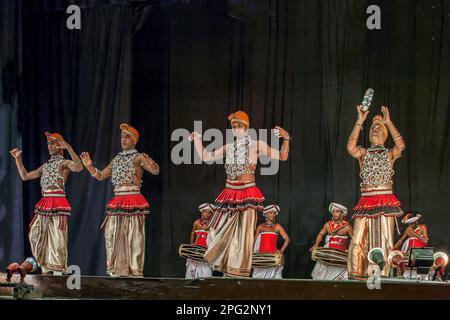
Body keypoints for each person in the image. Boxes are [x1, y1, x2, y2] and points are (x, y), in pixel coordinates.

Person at [189, 110, 291, 277]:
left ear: (247, 126)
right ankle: (225, 265)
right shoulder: (229, 147)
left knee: (243, 234)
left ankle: (238, 272)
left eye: (239, 125)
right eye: (233, 125)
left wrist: (286, 139)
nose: (236, 128)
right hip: (229, 192)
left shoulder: (256, 145)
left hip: (247, 192)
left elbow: (283, 156)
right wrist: (197, 140)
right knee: (216, 229)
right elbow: (206, 157)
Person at [80, 123, 159, 277]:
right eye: (122, 136)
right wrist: (89, 166)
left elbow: (155, 171)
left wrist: (152, 164)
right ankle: (117, 270)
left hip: (133, 199)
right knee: (112, 234)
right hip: (118, 200)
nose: (123, 139)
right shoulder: (116, 158)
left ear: (134, 140)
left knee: (134, 236)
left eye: (127, 137)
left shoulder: (138, 157)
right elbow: (101, 175)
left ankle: (135, 272)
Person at [10, 132, 83, 274]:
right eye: (48, 143)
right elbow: (25, 176)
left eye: (53, 143)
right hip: (45, 203)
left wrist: (68, 148)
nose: (50, 146)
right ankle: (45, 266)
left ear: (60, 145)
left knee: (57, 239)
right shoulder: (45, 166)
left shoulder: (64, 163)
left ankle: (56, 271)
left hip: (58, 202)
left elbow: (79, 167)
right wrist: (18, 159)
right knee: (36, 234)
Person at [347, 105, 405, 279]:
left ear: (384, 135)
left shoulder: (389, 153)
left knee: (386, 240)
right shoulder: (364, 153)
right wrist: (360, 121)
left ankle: (384, 277)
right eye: (372, 128)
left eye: (379, 128)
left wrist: (389, 122)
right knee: (357, 240)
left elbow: (401, 145)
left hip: (385, 201)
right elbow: (351, 148)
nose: (375, 129)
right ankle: (356, 275)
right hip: (365, 201)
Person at [310, 202, 352, 280]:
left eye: (337, 211)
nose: (335, 213)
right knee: (320, 274)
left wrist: (351, 249)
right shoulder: (327, 225)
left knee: (341, 276)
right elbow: (321, 234)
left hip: (340, 255)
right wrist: (316, 244)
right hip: (327, 253)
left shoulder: (347, 227)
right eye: (333, 211)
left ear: (342, 214)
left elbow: (354, 239)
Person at [252, 205, 290, 279]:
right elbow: (255, 241)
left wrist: (281, 251)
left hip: (272, 256)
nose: (273, 215)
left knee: (273, 279)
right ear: (266, 214)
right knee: (258, 278)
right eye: (270, 213)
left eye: (274, 213)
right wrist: (252, 254)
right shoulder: (260, 227)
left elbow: (287, 239)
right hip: (261, 257)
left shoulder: (277, 227)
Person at [185, 203, 214, 279]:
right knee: (193, 266)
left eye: (209, 212)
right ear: (202, 212)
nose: (207, 214)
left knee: (205, 268)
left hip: (206, 248)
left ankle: (204, 282)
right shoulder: (196, 222)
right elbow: (192, 233)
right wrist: (191, 245)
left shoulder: (212, 224)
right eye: (205, 212)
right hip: (196, 247)